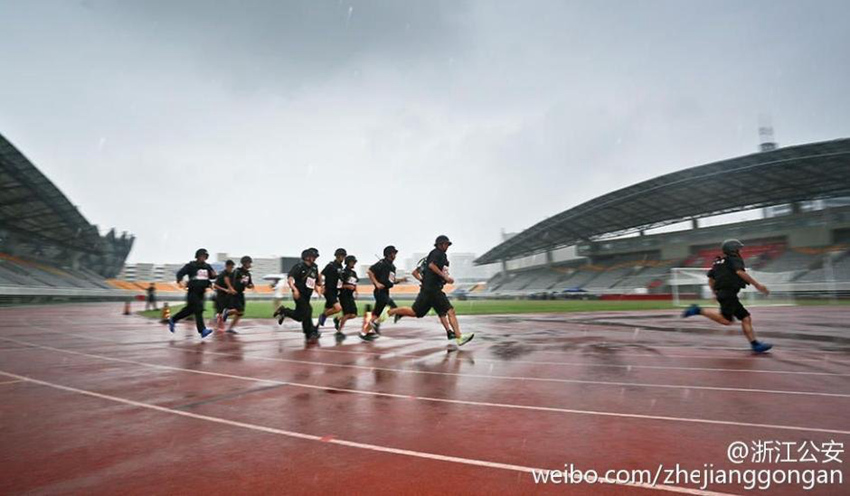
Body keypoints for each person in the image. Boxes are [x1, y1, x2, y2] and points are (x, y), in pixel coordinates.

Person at [682, 239, 773, 353]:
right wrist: (758, 285)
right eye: (738, 249)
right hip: (728, 294)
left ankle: (755, 345)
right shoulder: (734, 259)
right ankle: (698, 310)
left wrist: (714, 292)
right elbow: (740, 272)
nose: (740, 251)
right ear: (733, 250)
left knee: (745, 318)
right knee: (726, 321)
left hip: (726, 294)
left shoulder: (718, 262)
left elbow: (711, 279)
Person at [391, 235, 474, 346]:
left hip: (428, 289)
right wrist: (444, 277)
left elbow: (426, 270)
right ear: (440, 245)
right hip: (433, 289)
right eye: (446, 244)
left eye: (448, 244)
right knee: (450, 311)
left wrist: (441, 279)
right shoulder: (437, 253)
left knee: (416, 312)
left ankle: (390, 311)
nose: (447, 246)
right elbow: (431, 266)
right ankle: (459, 336)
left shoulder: (438, 257)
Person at [273, 248, 323, 342]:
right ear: (307, 257)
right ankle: (310, 333)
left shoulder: (314, 267)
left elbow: (315, 281)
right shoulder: (299, 266)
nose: (315, 258)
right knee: (308, 310)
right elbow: (290, 279)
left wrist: (318, 286)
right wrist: (294, 289)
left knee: (300, 316)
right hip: (299, 294)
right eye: (313, 256)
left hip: (307, 295)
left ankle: (284, 311)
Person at [168, 248, 216, 338]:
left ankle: (173, 319)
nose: (203, 258)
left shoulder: (207, 266)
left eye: (205, 257)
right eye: (202, 256)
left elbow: (211, 276)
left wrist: (214, 276)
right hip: (193, 291)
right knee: (199, 309)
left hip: (202, 292)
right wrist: (180, 281)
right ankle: (202, 330)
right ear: (197, 256)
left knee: (189, 310)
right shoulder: (191, 265)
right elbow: (180, 273)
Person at [364, 245, 405, 338]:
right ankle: (377, 323)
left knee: (377, 313)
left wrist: (401, 280)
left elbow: (392, 281)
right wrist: (377, 283)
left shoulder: (392, 267)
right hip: (379, 291)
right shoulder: (382, 263)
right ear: (388, 254)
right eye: (394, 253)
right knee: (392, 305)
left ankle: (365, 332)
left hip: (386, 291)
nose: (395, 255)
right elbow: (370, 271)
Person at [318, 248, 346, 329]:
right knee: (338, 308)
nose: (343, 258)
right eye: (342, 256)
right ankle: (323, 316)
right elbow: (320, 274)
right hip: (329, 290)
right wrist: (322, 286)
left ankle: (316, 328)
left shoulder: (341, 266)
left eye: (344, 256)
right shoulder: (331, 265)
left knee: (326, 311)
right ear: (337, 256)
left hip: (336, 291)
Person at [333, 254, 359, 341]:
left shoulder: (354, 273)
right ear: (348, 262)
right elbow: (339, 285)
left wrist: (356, 291)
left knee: (354, 314)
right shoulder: (343, 272)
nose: (354, 263)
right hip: (343, 295)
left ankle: (338, 319)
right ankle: (339, 331)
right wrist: (347, 286)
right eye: (352, 262)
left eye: (354, 262)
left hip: (350, 295)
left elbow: (355, 283)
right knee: (347, 314)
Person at [226, 256, 254, 333]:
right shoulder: (237, 271)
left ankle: (230, 328)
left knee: (241, 313)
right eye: (249, 263)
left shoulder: (248, 274)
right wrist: (230, 289)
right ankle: (226, 313)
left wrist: (250, 286)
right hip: (234, 293)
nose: (250, 264)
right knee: (239, 309)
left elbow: (249, 284)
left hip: (241, 294)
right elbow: (230, 280)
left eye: (250, 263)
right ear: (244, 263)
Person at [212, 260, 236, 330]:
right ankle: (217, 327)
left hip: (228, 296)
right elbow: (215, 286)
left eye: (232, 267)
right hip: (221, 296)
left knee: (235, 310)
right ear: (227, 266)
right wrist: (225, 290)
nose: (231, 269)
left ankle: (219, 324)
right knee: (220, 313)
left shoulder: (231, 275)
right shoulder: (222, 274)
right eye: (230, 267)